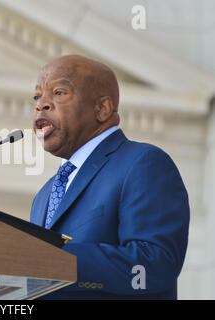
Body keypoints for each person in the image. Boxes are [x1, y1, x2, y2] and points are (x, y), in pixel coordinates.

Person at [30, 55, 190, 299]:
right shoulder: (44, 195)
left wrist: (53, 260)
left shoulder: (142, 163)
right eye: (37, 96)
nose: (41, 104)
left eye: (59, 92)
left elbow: (153, 266)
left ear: (102, 109)